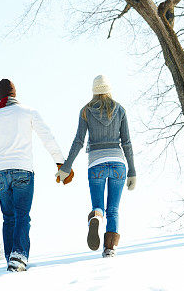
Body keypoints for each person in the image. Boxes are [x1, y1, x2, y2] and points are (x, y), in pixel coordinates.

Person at [0, 79, 73, 272]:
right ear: (14, 93)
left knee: (8, 217)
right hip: (23, 170)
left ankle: (11, 257)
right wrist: (60, 163)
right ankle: (19, 256)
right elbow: (47, 137)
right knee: (22, 215)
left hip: (1, 174)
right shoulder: (28, 112)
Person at [57, 75, 136, 257]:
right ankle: (109, 249)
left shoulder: (85, 111)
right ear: (109, 90)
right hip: (118, 163)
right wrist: (132, 170)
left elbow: (78, 141)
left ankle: (96, 218)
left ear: (94, 91)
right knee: (113, 209)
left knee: (98, 206)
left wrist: (66, 167)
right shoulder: (120, 110)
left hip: (96, 163)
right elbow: (127, 142)